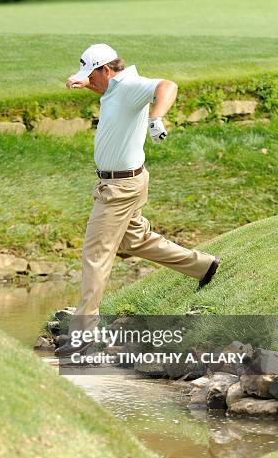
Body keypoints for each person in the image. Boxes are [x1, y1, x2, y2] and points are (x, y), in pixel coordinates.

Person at [55, 43, 219, 356]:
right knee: (135, 240)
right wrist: (87, 84)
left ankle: (85, 336)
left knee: (96, 254)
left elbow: (167, 86)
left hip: (119, 189)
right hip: (126, 182)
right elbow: (113, 101)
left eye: (93, 75)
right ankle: (203, 267)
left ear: (106, 69)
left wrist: (155, 119)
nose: (91, 81)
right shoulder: (113, 89)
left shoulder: (129, 86)